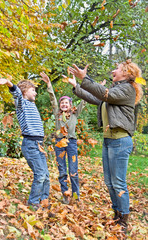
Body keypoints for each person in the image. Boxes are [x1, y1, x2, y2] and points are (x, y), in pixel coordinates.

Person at [66, 59, 143, 233]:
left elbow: (105, 94)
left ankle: (123, 220)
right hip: (109, 140)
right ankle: (116, 214)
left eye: (117, 68)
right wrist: (76, 86)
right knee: (109, 182)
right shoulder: (115, 90)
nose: (113, 70)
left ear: (127, 73)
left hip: (120, 140)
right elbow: (96, 97)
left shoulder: (127, 89)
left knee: (118, 182)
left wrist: (86, 78)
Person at [0, 78, 50, 211]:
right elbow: (16, 93)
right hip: (30, 144)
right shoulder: (22, 103)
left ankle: (44, 200)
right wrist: (8, 83)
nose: (35, 93)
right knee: (40, 174)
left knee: (46, 175)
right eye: (33, 90)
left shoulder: (31, 104)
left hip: (39, 144)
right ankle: (33, 202)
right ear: (24, 91)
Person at [40, 72, 86, 204]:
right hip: (59, 143)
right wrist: (49, 84)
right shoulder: (57, 113)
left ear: (70, 105)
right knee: (62, 170)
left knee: (73, 171)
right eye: (62, 103)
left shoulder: (74, 114)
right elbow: (52, 98)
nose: (64, 105)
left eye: (66, 103)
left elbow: (84, 101)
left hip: (71, 143)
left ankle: (76, 196)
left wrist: (89, 89)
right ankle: (65, 194)